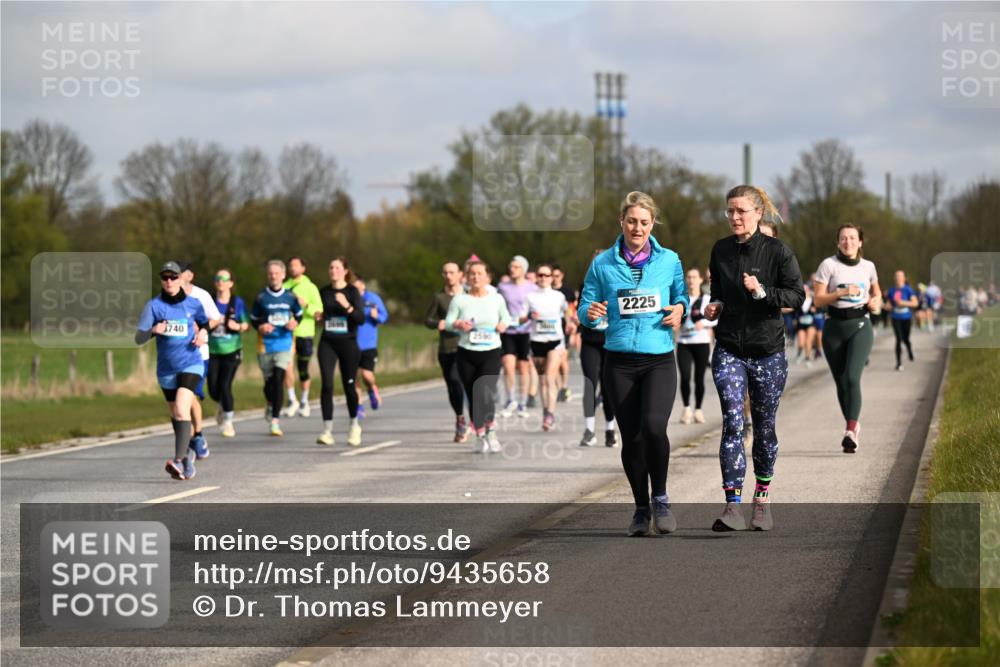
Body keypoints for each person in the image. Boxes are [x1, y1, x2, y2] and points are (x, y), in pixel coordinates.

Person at [578, 191, 688, 537]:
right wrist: (590, 314)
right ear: (621, 223)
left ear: (652, 224)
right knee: (632, 438)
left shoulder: (669, 260)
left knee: (655, 427)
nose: (637, 227)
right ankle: (641, 509)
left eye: (644, 222)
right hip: (620, 361)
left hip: (658, 359)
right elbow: (586, 305)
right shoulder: (603, 264)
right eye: (631, 221)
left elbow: (682, 296)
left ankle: (662, 499)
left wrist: (680, 310)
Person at [703, 185, 805, 532]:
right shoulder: (720, 250)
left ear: (758, 214)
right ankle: (732, 506)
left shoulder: (778, 252)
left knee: (763, 427)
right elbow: (717, 290)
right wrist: (714, 305)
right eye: (729, 211)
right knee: (733, 422)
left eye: (741, 211)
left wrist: (762, 292)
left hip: (767, 352)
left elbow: (797, 296)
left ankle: (761, 499)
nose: (734, 217)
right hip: (730, 348)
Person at [136, 262, 210, 480]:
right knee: (176, 415)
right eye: (165, 278)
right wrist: (152, 330)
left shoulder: (193, 303)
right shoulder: (154, 306)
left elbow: (205, 323)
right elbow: (138, 337)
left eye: (173, 277)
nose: (169, 281)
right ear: (161, 280)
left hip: (191, 363)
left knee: (181, 408)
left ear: (181, 279)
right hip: (166, 369)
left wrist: (204, 334)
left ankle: (177, 459)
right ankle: (187, 458)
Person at [812, 224, 882, 453]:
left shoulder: (868, 266)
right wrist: (840, 293)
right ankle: (851, 425)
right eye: (843, 238)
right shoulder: (828, 265)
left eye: (852, 238)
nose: (848, 242)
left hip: (860, 324)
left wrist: (875, 302)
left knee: (852, 376)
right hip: (833, 326)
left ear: (860, 242)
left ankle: (851, 429)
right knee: (841, 382)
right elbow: (818, 300)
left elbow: (877, 293)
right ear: (838, 242)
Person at [445, 260, 512, 453]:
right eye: (472, 274)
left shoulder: (496, 298)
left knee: (485, 392)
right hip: (466, 352)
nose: (476, 277)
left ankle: (491, 430)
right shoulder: (459, 300)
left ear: (487, 277)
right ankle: (480, 434)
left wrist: (503, 325)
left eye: (480, 273)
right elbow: (448, 322)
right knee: (473, 396)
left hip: (491, 351)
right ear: (466, 277)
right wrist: (458, 324)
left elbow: (506, 317)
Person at [315, 258, 366, 446]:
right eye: (330, 267)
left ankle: (354, 426)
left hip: (348, 344)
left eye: (337, 267)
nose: (333, 271)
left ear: (345, 271)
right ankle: (327, 431)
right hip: (328, 342)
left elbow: (360, 318)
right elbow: (321, 315)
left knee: (349, 385)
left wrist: (347, 305)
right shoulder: (324, 292)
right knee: (327, 384)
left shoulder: (352, 292)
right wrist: (318, 318)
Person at [250, 260, 303, 437]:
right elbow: (253, 318)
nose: (273, 276)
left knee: (279, 378)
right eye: (270, 273)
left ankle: (275, 422)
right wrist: (261, 326)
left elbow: (299, 315)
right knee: (269, 384)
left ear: (283, 275)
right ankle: (270, 403)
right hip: (265, 345)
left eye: (276, 273)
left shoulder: (290, 296)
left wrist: (295, 322)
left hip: (284, 343)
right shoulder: (261, 297)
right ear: (268, 275)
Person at [177, 262, 222, 459]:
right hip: (176, 357)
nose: (173, 279)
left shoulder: (201, 296)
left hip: (198, 354)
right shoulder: (167, 300)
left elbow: (215, 318)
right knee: (180, 402)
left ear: (189, 276)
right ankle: (192, 437)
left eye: (177, 274)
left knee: (191, 395)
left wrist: (203, 330)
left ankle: (197, 435)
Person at [523, 263, 572, 431]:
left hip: (555, 341)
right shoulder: (530, 297)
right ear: (537, 277)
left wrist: (571, 323)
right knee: (543, 381)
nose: (543, 278)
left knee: (550, 378)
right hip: (536, 341)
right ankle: (546, 412)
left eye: (546, 275)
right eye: (540, 275)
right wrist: (529, 316)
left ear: (552, 278)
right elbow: (521, 318)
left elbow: (568, 312)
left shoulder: (558, 296)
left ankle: (550, 413)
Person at [425, 261, 469, 442]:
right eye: (445, 273)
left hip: (467, 346)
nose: (449, 276)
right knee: (452, 384)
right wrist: (438, 323)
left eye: (452, 272)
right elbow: (428, 319)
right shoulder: (439, 297)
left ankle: (475, 417)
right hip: (447, 347)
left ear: (460, 275)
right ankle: (460, 418)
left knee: (462, 381)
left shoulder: (469, 296)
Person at [578, 250, 617, 448]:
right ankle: (589, 430)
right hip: (590, 341)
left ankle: (610, 429)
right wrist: (589, 313)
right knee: (589, 383)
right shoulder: (585, 286)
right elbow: (581, 313)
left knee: (608, 386)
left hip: (610, 342)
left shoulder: (617, 284)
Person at [208, 268, 250, 438]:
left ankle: (228, 422)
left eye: (225, 279)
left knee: (225, 385)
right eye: (218, 278)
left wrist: (237, 326)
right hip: (212, 350)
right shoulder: (209, 301)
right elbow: (199, 321)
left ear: (231, 283)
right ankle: (221, 404)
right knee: (212, 388)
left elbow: (246, 324)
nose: (221, 282)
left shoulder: (237, 302)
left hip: (232, 350)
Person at [282, 257, 323, 418]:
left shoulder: (310, 287)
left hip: (305, 333)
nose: (292, 268)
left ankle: (304, 401)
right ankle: (292, 400)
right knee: (286, 367)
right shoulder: (284, 287)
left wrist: (305, 305)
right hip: (287, 334)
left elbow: (319, 312)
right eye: (290, 265)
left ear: (303, 268)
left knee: (303, 370)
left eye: (296, 266)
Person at [497, 255, 537, 418]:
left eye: (516, 267)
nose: (512, 269)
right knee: (507, 364)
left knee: (523, 367)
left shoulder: (532, 287)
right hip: (508, 331)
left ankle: (522, 402)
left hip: (526, 331)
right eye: (510, 267)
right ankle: (510, 399)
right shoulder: (502, 287)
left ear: (523, 269)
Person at [677, 268, 716, 425]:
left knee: (698, 379)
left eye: (694, 277)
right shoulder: (682, 299)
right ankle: (686, 409)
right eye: (689, 277)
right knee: (685, 377)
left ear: (700, 280)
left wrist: (704, 323)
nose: (691, 280)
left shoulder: (706, 299)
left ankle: (698, 410)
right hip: (683, 343)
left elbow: (715, 320)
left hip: (701, 343)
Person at [354, 277, 389, 416]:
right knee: (353, 376)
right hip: (352, 344)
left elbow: (384, 316)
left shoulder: (373, 299)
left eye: (358, 287)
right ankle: (358, 405)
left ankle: (371, 388)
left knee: (366, 375)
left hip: (369, 344)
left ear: (363, 286)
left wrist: (376, 316)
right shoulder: (349, 300)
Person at [551, 264, 578, 402]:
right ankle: (558, 387)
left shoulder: (567, 291)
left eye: (557, 276)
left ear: (561, 276)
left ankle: (564, 386)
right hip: (551, 328)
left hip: (565, 327)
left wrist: (572, 324)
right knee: (554, 359)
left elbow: (572, 309)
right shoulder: (547, 290)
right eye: (552, 276)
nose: (554, 279)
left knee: (563, 359)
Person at [886, 271, 919, 371]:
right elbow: (889, 304)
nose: (898, 278)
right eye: (896, 276)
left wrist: (903, 303)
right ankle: (899, 363)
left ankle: (909, 350)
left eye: (900, 276)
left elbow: (915, 303)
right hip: (895, 317)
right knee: (898, 339)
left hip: (907, 318)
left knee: (906, 339)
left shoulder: (908, 290)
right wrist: (887, 306)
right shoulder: (891, 291)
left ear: (904, 278)